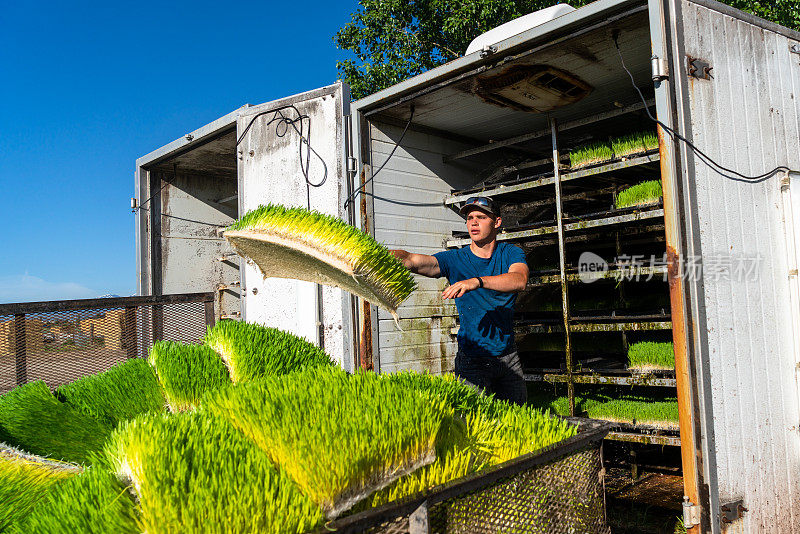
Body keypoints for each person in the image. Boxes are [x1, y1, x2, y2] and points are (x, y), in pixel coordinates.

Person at [391, 196, 529, 405]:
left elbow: (519, 280)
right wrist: (387, 255)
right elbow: (413, 260)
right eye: (469, 217)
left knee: (518, 421)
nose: (473, 222)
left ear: (497, 222)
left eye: (481, 217)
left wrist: (477, 281)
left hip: (508, 357)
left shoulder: (510, 253)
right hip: (472, 360)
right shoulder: (455, 259)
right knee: (472, 422)